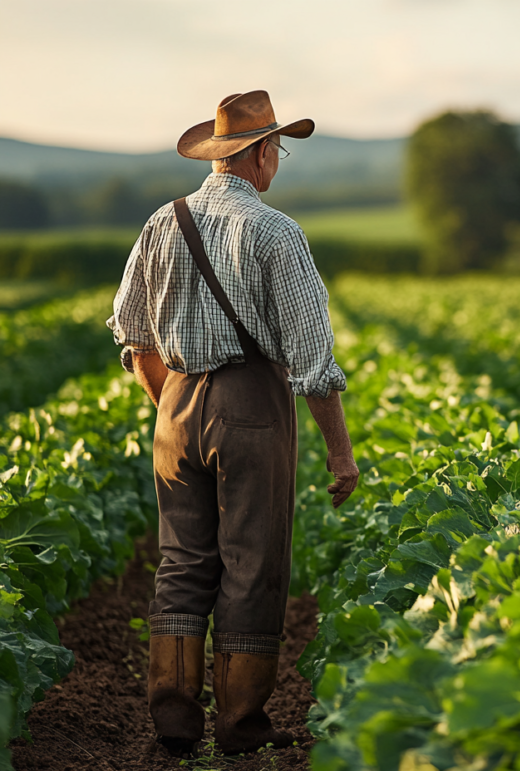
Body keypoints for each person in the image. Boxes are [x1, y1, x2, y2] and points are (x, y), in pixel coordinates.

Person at [107, 90, 359, 758]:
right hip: (251, 406)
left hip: (175, 404)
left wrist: (170, 405)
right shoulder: (276, 233)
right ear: (259, 154)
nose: (277, 160)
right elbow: (313, 362)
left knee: (183, 561)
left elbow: (132, 337)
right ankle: (241, 723)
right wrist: (341, 455)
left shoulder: (162, 223)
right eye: (277, 148)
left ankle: (175, 717)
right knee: (252, 562)